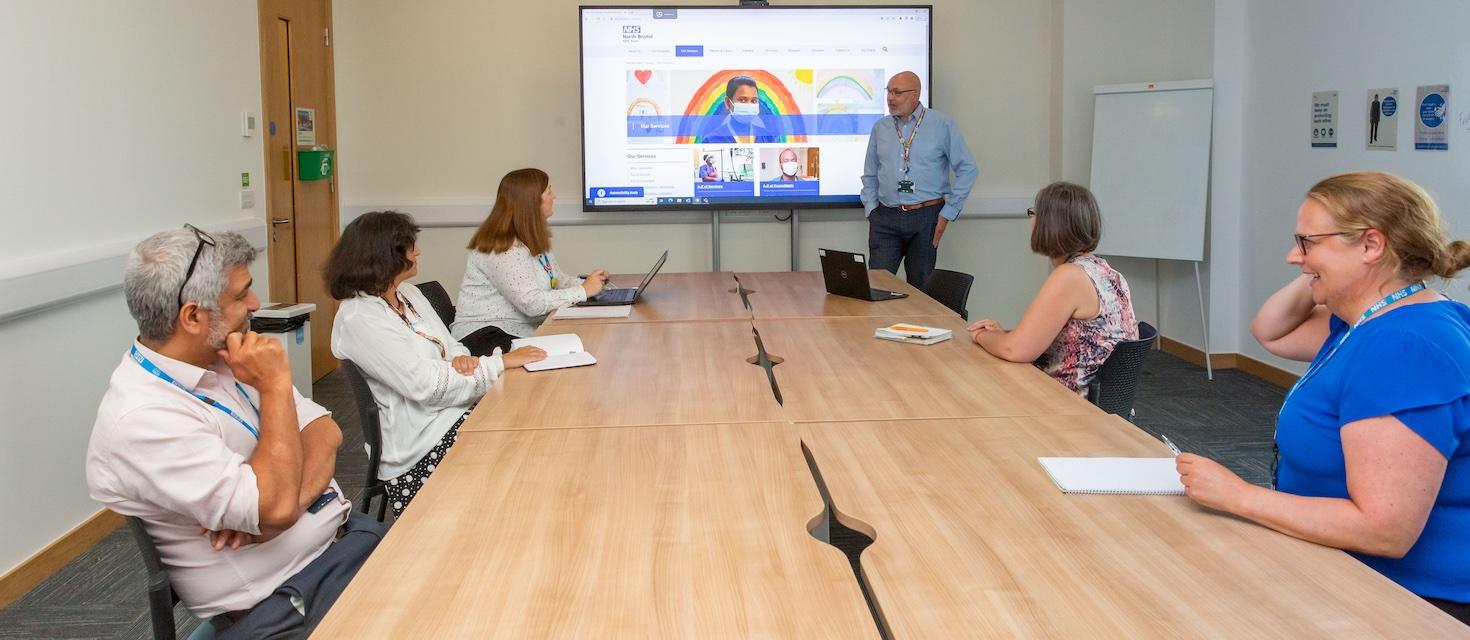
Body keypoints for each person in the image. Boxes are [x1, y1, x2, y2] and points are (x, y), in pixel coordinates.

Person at [1177, 171, 1470, 624]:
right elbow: (1271, 331)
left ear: (1372, 246)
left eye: (1306, 241)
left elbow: (1384, 529)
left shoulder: (1405, 346)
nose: (1292, 256)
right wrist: (1324, 270)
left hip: (1411, 602)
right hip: (1342, 567)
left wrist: (1238, 496)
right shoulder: (1370, 320)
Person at [87, 225, 385, 638]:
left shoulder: (227, 356)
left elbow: (325, 432)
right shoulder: (142, 417)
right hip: (289, 605)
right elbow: (274, 507)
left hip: (345, 542)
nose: (256, 303)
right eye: (241, 294)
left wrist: (282, 512)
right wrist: (276, 387)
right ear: (193, 316)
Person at [327, 211, 546, 518]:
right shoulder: (360, 319)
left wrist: (463, 359)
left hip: (450, 411)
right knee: (527, 444)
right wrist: (497, 364)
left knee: (534, 422)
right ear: (384, 255)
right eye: (409, 246)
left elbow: (450, 346)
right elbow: (426, 386)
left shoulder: (408, 293)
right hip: (420, 446)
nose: (418, 252)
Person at [967, 182, 1137, 394]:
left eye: (1034, 213)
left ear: (1050, 223)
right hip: (1097, 406)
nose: (1032, 220)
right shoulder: (1107, 272)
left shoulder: (1070, 276)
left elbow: (1015, 350)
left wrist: (979, 335)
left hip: (1069, 408)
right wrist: (1003, 335)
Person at [452, 169, 610, 355]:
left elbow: (556, 280)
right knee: (580, 348)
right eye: (549, 191)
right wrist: (583, 291)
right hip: (487, 337)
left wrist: (592, 283)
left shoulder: (530, 239)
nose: (554, 196)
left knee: (587, 342)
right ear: (532, 200)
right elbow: (532, 304)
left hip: (519, 331)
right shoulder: (503, 247)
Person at [860, 71, 979, 289]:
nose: (890, 98)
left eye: (897, 93)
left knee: (922, 292)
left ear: (915, 95)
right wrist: (872, 210)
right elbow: (870, 173)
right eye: (888, 92)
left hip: (926, 216)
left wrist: (948, 212)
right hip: (885, 216)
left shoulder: (942, 125)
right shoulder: (881, 127)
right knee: (876, 287)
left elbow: (968, 169)